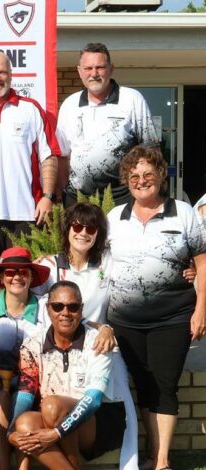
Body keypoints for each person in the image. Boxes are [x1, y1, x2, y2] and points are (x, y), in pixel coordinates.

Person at [106, 145, 206, 470]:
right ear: (127, 179)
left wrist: (201, 309)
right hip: (125, 320)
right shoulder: (114, 218)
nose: (142, 180)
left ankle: (162, 462)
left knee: (165, 385)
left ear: (161, 175)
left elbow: (203, 263)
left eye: (149, 173)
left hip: (173, 317)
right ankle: (151, 455)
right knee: (144, 385)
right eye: (134, 175)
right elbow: (97, 263)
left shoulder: (184, 212)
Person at [9, 281, 137, 470]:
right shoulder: (33, 343)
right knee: (25, 424)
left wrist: (56, 433)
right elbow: (26, 392)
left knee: (53, 406)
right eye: (57, 306)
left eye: (73, 307)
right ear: (48, 309)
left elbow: (93, 400)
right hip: (53, 418)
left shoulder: (99, 341)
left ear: (81, 309)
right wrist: (11, 431)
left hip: (99, 421)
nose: (65, 313)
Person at [0, 51, 61, 277]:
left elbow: (49, 156)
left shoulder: (30, 109)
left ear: (11, 75)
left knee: (25, 279)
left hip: (27, 214)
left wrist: (47, 197)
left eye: (2, 72)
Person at [0, 246, 50, 470]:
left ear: (31, 277)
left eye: (23, 272)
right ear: (1, 278)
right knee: (2, 395)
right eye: (10, 272)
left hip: (37, 383)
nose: (16, 276)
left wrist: (103, 328)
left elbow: (76, 322)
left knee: (21, 400)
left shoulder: (46, 306)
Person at [58, 42, 158, 207]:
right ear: (79, 71)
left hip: (123, 197)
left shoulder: (132, 99)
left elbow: (151, 150)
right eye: (88, 68)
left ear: (111, 68)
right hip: (78, 198)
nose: (94, 74)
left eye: (100, 67)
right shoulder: (70, 104)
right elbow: (62, 155)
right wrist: (63, 192)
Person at [34, 203, 111, 324]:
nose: (83, 233)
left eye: (90, 228)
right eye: (77, 227)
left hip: (95, 340)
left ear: (98, 233)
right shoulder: (49, 266)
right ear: (67, 229)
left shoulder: (106, 262)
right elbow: (31, 302)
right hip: (58, 339)